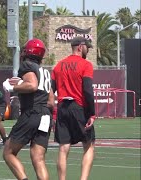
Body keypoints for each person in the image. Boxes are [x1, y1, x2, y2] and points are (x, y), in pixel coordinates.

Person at [2, 39, 55, 180]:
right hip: (46, 115)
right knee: (38, 158)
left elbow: (32, 85)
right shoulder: (45, 72)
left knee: (8, 152)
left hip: (32, 112)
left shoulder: (27, 65)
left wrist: (13, 87)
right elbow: (51, 101)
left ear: (27, 52)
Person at [51, 36, 96, 180]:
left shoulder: (58, 66)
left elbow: (51, 91)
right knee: (88, 145)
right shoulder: (85, 64)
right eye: (87, 47)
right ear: (80, 47)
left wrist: (53, 113)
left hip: (63, 108)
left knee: (63, 148)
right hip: (79, 109)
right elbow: (88, 91)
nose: (87, 50)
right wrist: (92, 114)